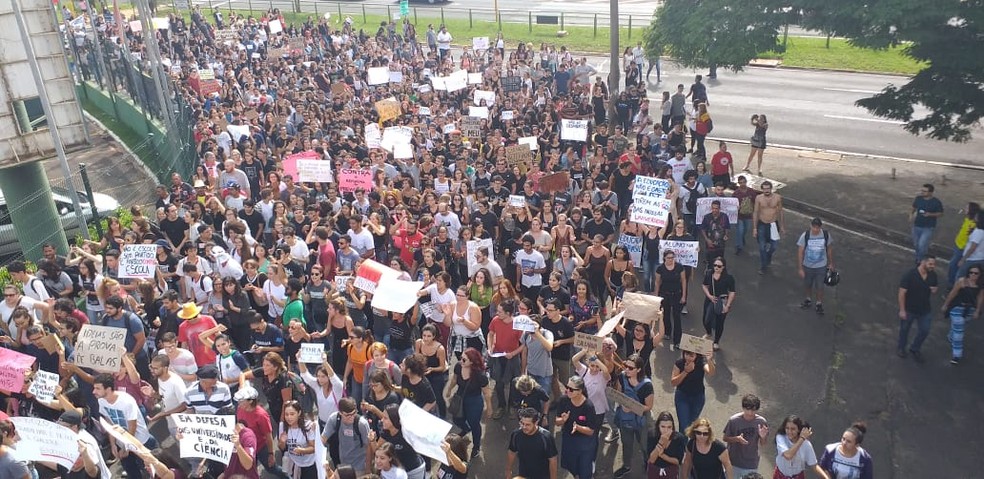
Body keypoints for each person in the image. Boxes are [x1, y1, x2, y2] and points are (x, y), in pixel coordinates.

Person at [93, 373, 157, 479]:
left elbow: (132, 426)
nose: (94, 391)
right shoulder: (101, 401)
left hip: (140, 442)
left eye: (97, 388)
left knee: (152, 471)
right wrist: (113, 444)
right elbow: (110, 423)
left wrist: (126, 447)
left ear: (108, 389)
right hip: (122, 442)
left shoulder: (126, 401)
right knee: (131, 471)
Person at [612, 353, 655, 478]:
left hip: (641, 420)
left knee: (644, 444)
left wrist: (632, 408)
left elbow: (649, 406)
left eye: (630, 368)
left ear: (639, 370)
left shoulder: (647, 385)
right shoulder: (622, 377)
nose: (626, 369)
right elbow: (619, 394)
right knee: (626, 443)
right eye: (626, 366)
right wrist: (622, 404)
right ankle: (626, 466)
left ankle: (648, 463)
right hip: (625, 419)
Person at [445, 347, 492, 457]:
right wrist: (449, 389)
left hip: (474, 401)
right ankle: (466, 429)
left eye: (464, 359)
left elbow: (486, 392)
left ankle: (476, 447)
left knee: (475, 424)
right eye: (461, 358)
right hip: (460, 397)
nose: (461, 361)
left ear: (472, 362)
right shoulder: (458, 366)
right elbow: (454, 379)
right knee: (457, 418)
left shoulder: (480, 375)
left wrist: (489, 407)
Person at [555, 375, 601, 479]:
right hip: (569, 439)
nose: (567, 390)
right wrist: (563, 420)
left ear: (580, 391)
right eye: (567, 387)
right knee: (572, 466)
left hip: (585, 442)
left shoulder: (588, 406)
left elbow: (591, 431)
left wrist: (578, 427)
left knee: (584, 470)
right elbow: (557, 422)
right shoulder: (563, 400)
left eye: (571, 389)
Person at [897, 255, 938, 362]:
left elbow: (934, 287)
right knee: (904, 330)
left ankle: (915, 348)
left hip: (924, 309)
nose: (932, 266)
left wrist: (934, 290)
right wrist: (902, 310)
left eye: (934, 264)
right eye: (930, 264)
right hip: (909, 309)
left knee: (925, 330)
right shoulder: (910, 275)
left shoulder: (933, 275)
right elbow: (902, 293)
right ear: (923, 262)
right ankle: (901, 348)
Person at [940, 264, 982, 365]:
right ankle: (957, 355)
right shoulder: (962, 281)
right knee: (959, 331)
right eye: (971, 272)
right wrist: (945, 305)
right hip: (957, 307)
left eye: (976, 273)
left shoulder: (980, 285)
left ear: (980, 274)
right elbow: (952, 293)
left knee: (960, 327)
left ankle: (951, 336)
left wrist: (977, 311)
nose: (973, 275)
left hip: (969, 309)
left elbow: (980, 298)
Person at [321, 397, 372, 475]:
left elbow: (369, 446)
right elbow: (323, 438)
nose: (351, 417)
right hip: (343, 465)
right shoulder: (334, 419)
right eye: (347, 415)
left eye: (354, 413)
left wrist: (368, 469)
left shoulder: (362, 424)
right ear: (340, 413)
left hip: (360, 466)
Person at [723, 394, 769, 479]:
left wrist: (763, 437)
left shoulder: (761, 422)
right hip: (734, 462)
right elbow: (725, 438)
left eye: (753, 410)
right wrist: (737, 439)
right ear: (743, 408)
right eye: (748, 409)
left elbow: (763, 443)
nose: (750, 413)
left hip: (751, 463)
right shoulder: (734, 420)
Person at [507, 407, 559, 479]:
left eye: (527, 424)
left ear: (536, 422)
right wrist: (508, 470)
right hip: (523, 474)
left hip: (543, 476)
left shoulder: (546, 437)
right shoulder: (516, 434)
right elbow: (512, 452)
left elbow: (553, 460)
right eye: (522, 423)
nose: (524, 427)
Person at [672, 348, 716, 433]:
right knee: (684, 425)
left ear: (696, 356)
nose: (688, 358)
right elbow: (673, 382)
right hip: (682, 396)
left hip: (698, 397)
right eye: (686, 354)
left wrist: (709, 360)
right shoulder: (679, 363)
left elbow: (711, 372)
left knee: (691, 425)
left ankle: (687, 440)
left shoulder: (701, 362)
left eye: (691, 356)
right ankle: (682, 441)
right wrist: (685, 371)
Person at [797, 217, 835, 315]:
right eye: (813, 227)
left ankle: (819, 303)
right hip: (808, 266)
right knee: (808, 284)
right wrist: (800, 268)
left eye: (817, 227)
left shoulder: (826, 235)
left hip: (821, 266)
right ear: (810, 226)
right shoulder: (805, 235)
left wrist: (831, 263)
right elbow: (800, 252)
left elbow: (829, 249)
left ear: (820, 227)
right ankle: (808, 299)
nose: (815, 229)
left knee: (820, 286)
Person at [655, 250, 688, 350]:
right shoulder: (660, 268)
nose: (670, 260)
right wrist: (656, 296)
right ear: (664, 258)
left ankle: (677, 340)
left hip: (677, 294)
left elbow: (683, 281)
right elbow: (657, 282)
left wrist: (684, 296)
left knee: (677, 317)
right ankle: (667, 332)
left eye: (672, 258)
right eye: (668, 258)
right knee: (666, 315)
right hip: (665, 294)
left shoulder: (679, 267)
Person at [703, 257, 737, 350]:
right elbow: (704, 285)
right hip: (710, 300)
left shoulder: (728, 278)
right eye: (715, 265)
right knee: (706, 319)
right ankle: (709, 332)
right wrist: (709, 296)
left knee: (720, 322)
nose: (716, 268)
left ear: (723, 267)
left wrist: (728, 305)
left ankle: (716, 341)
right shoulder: (709, 273)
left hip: (722, 301)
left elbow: (732, 292)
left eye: (719, 266)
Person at [279, 400, 319, 479]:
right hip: (293, 463)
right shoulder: (282, 426)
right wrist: (282, 442)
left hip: (309, 464)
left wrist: (302, 450)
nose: (289, 417)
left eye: (292, 414)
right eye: (286, 414)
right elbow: (282, 447)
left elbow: (314, 448)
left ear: (299, 413)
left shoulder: (308, 426)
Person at [751, 180, 784, 274]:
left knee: (774, 246)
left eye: (768, 188)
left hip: (773, 224)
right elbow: (755, 212)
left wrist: (782, 226)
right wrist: (754, 228)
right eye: (764, 189)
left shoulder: (777, 197)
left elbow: (781, 211)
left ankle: (768, 256)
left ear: (771, 188)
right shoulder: (759, 198)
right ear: (762, 189)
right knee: (762, 247)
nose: (766, 190)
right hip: (762, 224)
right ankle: (763, 266)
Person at [910, 183, 944, 264]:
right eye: (922, 190)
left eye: (925, 191)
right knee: (916, 244)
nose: (922, 192)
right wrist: (911, 215)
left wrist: (930, 214)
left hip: (928, 227)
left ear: (930, 192)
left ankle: (919, 260)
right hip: (917, 225)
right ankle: (920, 255)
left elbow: (941, 213)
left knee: (921, 244)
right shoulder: (918, 199)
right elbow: (914, 207)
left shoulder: (936, 202)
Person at [647, 411, 687, 479]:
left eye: (669, 427)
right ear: (658, 426)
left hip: (671, 471)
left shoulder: (679, 438)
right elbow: (651, 460)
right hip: (655, 470)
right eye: (663, 427)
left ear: (673, 427)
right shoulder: (652, 435)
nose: (666, 430)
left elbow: (677, 461)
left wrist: (663, 456)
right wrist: (660, 443)